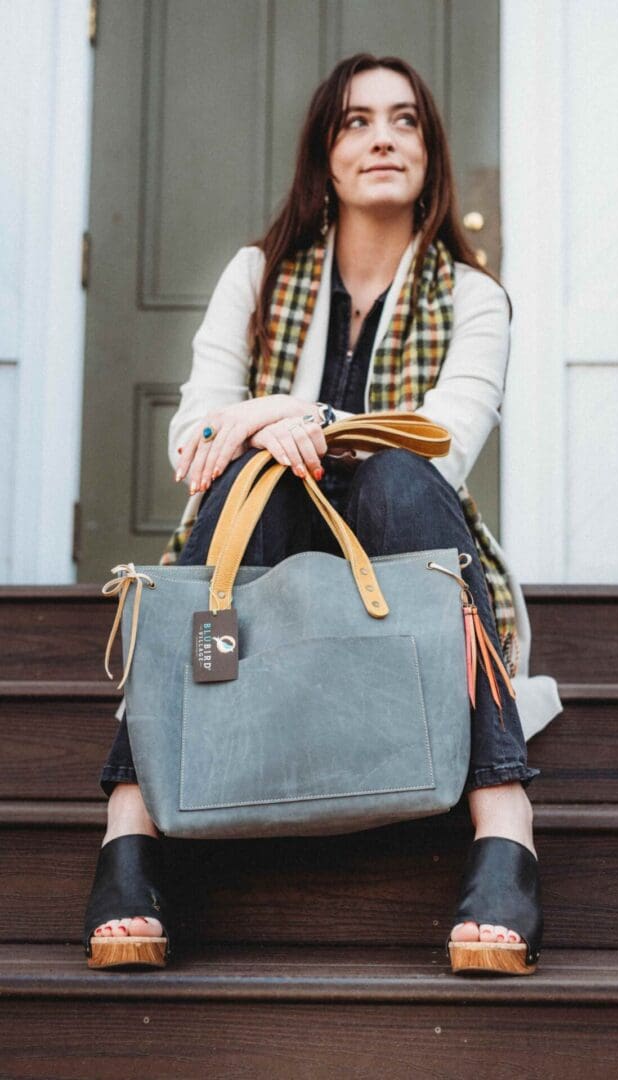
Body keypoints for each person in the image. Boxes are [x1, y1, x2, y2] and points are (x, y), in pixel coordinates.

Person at [83, 53, 561, 975]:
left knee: (393, 474)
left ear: (428, 150)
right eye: (355, 121)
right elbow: (196, 439)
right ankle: (131, 815)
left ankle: (505, 817)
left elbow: (443, 441)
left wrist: (296, 418)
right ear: (325, 153)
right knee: (241, 483)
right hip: (261, 560)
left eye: (404, 120)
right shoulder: (257, 275)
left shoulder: (473, 296)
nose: (381, 136)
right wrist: (270, 430)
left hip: (403, 563)